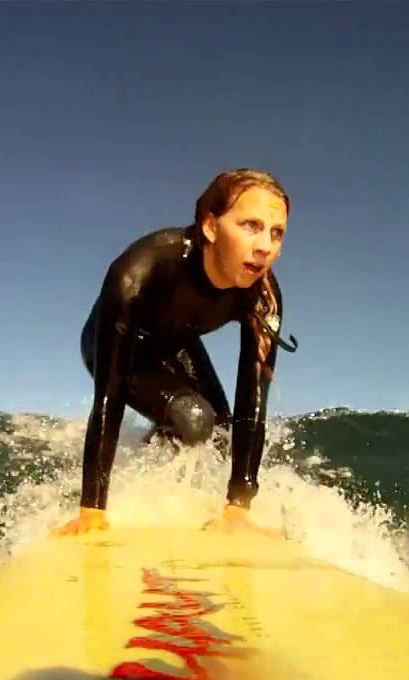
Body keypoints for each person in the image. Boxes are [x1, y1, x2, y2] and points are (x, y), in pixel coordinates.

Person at [55, 168, 299, 537]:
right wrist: (92, 510)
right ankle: (119, 484)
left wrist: (238, 508)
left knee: (221, 432)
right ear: (211, 227)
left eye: (276, 232)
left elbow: (253, 400)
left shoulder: (262, 298)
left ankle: (175, 474)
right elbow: (111, 393)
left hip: (175, 345)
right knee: (195, 419)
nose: (266, 246)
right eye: (251, 225)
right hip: (117, 346)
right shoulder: (141, 269)